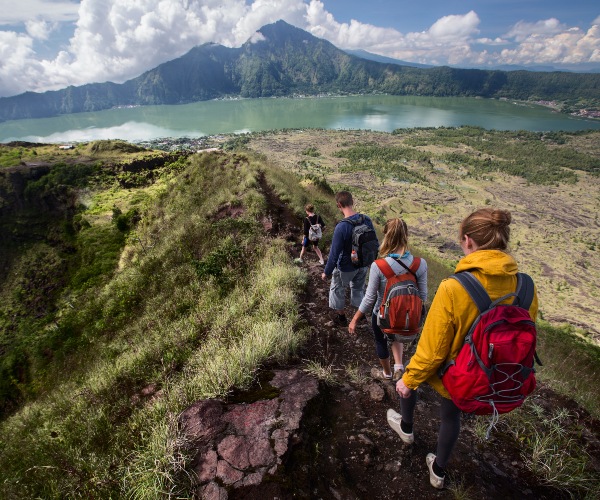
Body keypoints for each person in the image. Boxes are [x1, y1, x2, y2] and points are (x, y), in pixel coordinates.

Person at [388, 208, 538, 490]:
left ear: (468, 241)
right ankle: (438, 471)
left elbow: (432, 351)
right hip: (495, 375)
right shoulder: (526, 286)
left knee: (411, 375)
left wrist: (409, 381)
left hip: (457, 375)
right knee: (451, 416)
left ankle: (406, 428)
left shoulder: (454, 288)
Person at [348, 218, 427, 380]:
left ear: (387, 237)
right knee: (397, 331)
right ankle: (399, 366)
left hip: (382, 315)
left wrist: (355, 319)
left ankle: (387, 373)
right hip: (405, 316)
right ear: (406, 236)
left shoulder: (379, 265)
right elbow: (423, 296)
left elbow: (370, 298)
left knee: (381, 341)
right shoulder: (421, 264)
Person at [321, 191, 378, 327]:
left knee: (337, 289)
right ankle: (361, 318)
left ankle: (341, 318)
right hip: (363, 264)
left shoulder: (341, 227)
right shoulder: (366, 219)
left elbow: (334, 254)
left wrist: (326, 272)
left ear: (339, 205)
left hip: (346, 266)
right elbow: (374, 242)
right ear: (352, 202)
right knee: (358, 289)